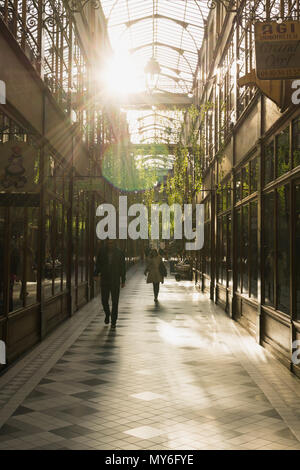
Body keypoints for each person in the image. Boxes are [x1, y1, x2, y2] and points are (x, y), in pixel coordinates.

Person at [94, 239, 126, 329]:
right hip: (105, 279)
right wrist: (96, 274)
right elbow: (98, 264)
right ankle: (108, 314)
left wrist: (123, 280)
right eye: (109, 243)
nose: (110, 244)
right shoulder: (102, 251)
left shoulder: (119, 253)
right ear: (107, 243)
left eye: (112, 243)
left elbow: (122, 267)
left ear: (114, 243)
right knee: (104, 300)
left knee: (115, 302)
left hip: (115, 280)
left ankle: (113, 321)